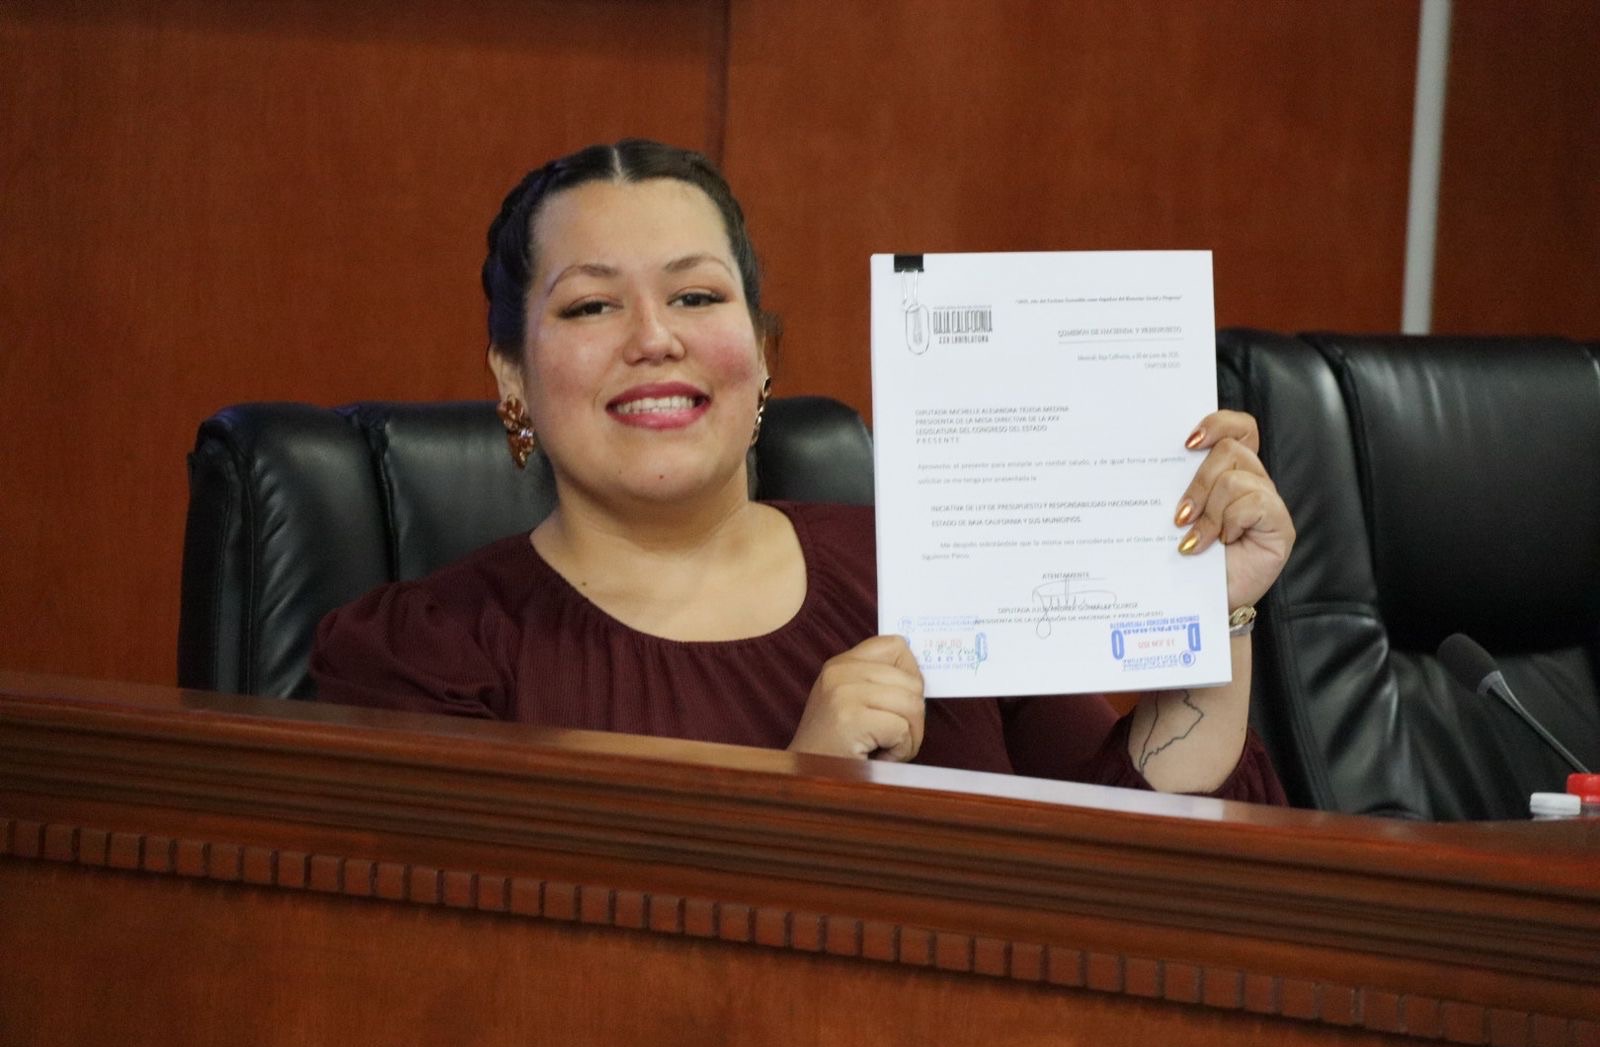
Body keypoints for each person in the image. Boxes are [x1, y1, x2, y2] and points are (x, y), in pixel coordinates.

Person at [312, 139, 1294, 802]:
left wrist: (1218, 606)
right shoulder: (423, 658)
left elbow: (1118, 851)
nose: (655, 339)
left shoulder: (924, 570)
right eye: (591, 306)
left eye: (697, 296)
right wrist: (804, 786)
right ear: (512, 377)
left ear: (763, 355)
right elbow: (475, 978)